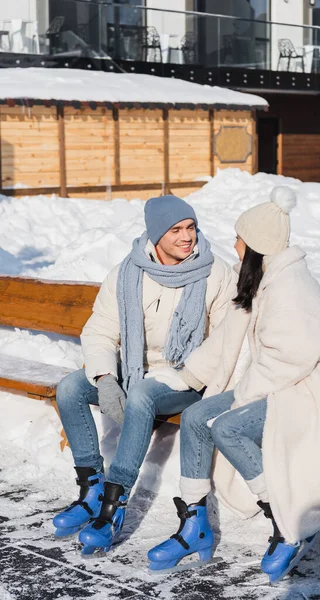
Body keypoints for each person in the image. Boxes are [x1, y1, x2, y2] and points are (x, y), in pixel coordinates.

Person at [147, 187, 320, 582]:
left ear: (255, 246)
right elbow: (230, 338)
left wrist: (243, 397)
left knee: (229, 427)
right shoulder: (262, 278)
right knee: (198, 417)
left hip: (312, 388)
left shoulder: (290, 286)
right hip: (278, 381)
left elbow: (292, 356)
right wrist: (191, 375)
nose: (233, 244)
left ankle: (285, 524)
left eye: (239, 238)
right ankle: (193, 525)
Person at [53, 195, 236, 555]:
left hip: (187, 376)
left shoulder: (216, 273)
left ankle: (112, 506)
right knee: (71, 387)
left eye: (191, 228)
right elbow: (101, 330)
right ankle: (90, 491)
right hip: (137, 366)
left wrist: (186, 376)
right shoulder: (128, 272)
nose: (188, 237)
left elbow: (227, 343)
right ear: (155, 235)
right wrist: (106, 378)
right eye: (176, 230)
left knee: (141, 396)